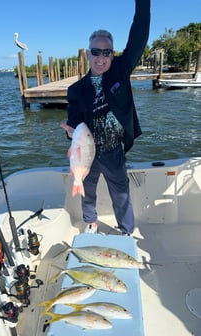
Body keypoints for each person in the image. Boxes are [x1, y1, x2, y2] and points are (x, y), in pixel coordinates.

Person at [65, 0, 150, 235]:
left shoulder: (120, 71)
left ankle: (126, 230)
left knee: (121, 194)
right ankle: (90, 222)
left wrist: (143, 4)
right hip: (88, 152)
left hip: (114, 151)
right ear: (87, 53)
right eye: (96, 52)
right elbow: (73, 121)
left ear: (113, 54)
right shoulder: (76, 89)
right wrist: (69, 132)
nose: (100, 58)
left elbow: (139, 35)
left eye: (106, 53)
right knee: (87, 190)